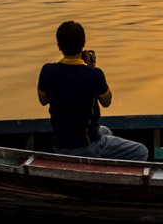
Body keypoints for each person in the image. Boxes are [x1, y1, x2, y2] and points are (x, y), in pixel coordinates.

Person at [37, 21, 148, 160]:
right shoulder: (94, 75)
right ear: (83, 44)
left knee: (105, 130)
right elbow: (107, 102)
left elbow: (43, 100)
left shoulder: (47, 71)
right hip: (85, 146)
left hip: (59, 145)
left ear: (58, 45)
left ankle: (100, 168)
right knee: (141, 151)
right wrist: (91, 69)